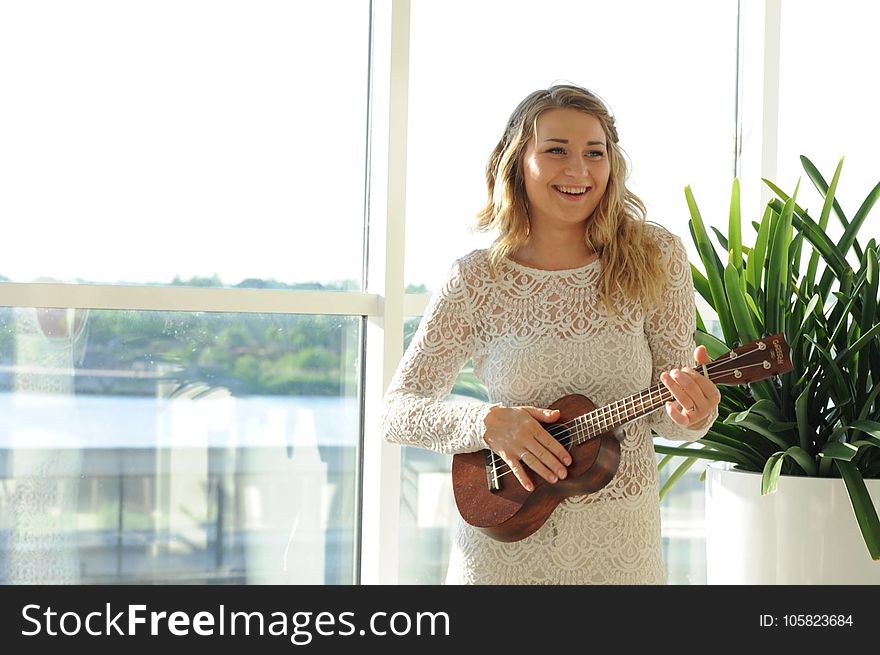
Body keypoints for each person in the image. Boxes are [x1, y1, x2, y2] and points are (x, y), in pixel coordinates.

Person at [380, 83, 721, 584]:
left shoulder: (657, 257)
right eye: (556, 151)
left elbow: (669, 418)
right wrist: (488, 423)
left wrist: (696, 412)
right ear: (517, 161)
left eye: (594, 153)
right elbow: (397, 411)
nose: (578, 171)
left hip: (620, 548)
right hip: (501, 549)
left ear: (613, 163)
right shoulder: (477, 279)